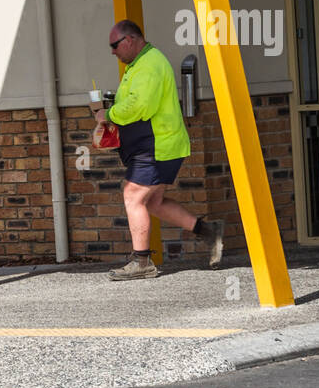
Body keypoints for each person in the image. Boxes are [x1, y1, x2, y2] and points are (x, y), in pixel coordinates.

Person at [91, 20, 224, 280]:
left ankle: (142, 262)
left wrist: (106, 113)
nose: (112, 52)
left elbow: (139, 108)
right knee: (153, 201)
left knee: (132, 196)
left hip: (156, 146)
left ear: (129, 40)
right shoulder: (140, 64)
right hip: (161, 144)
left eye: (114, 45)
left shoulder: (149, 65)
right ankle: (209, 232)